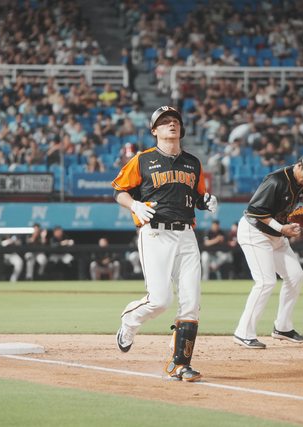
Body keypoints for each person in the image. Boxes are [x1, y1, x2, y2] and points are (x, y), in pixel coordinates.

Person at [111, 105, 217, 382]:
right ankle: (129, 321)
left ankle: (179, 364)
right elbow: (119, 191)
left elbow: (197, 196)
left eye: (175, 121)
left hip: (186, 234)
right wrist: (134, 205)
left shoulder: (193, 163)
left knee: (191, 302)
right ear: (154, 130)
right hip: (155, 233)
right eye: (165, 121)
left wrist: (206, 201)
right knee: (160, 301)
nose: (171, 124)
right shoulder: (143, 160)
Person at [233, 150, 303, 349]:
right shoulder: (275, 180)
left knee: (295, 276)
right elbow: (255, 211)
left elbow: (284, 208)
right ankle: (243, 333)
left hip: (277, 236)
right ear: (299, 165)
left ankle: (283, 328)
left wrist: (290, 224)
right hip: (255, 232)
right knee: (265, 282)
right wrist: (282, 227)